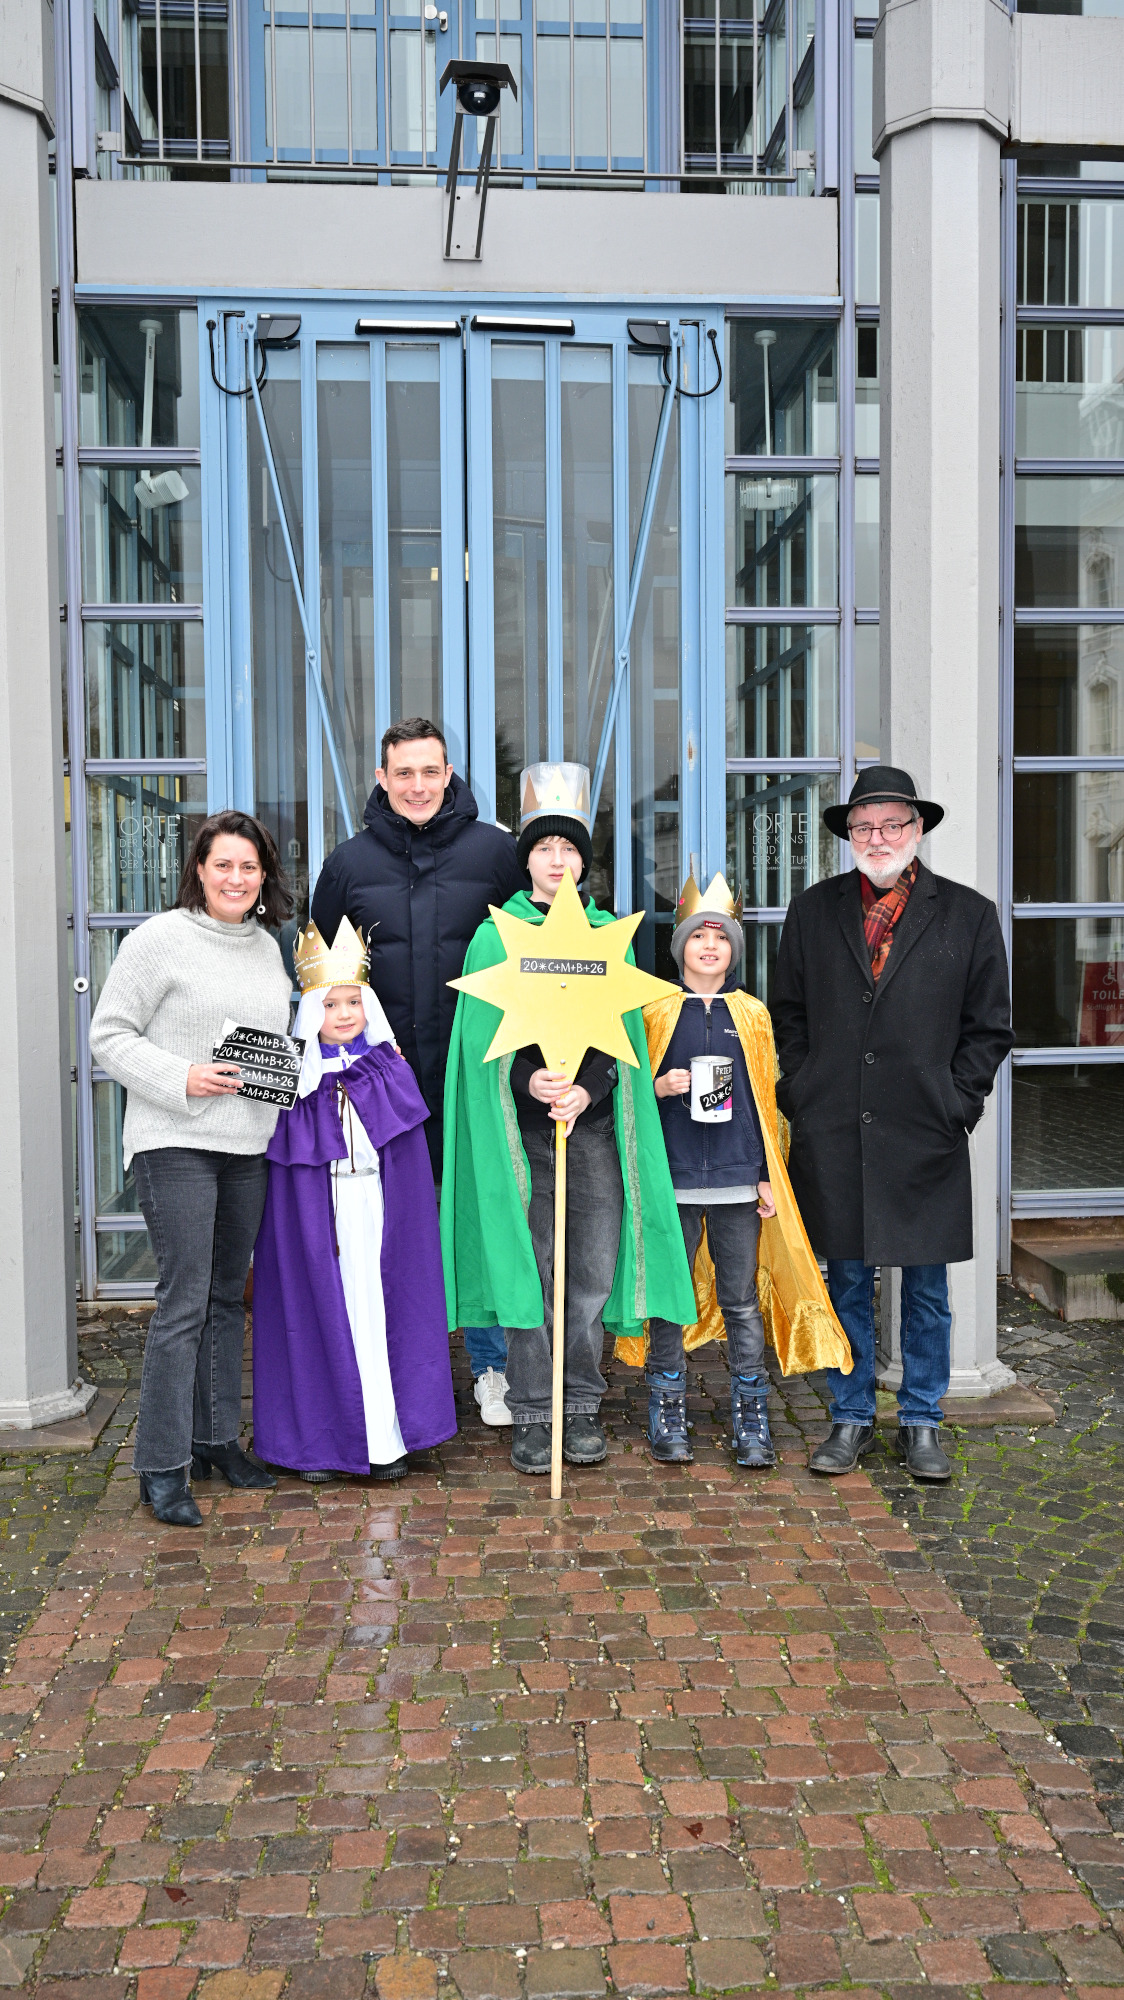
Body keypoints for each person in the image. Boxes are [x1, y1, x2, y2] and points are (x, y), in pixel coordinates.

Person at [440, 763, 696, 1475]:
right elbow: (483, 1045)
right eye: (545, 848)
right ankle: (532, 1410)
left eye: (570, 849)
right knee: (532, 1267)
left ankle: (578, 1403)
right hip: (522, 1134)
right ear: (527, 858)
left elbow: (624, 1042)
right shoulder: (496, 937)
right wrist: (531, 1080)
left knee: (587, 1271)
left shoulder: (608, 933)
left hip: (592, 1132)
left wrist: (586, 1086)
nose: (558, 861)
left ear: (585, 859)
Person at [772, 766, 1015, 1484]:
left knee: (927, 1287)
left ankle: (921, 1421)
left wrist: (956, 1104)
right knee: (845, 1278)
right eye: (864, 827)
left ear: (917, 830)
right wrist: (804, 1090)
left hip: (924, 1128)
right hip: (837, 1126)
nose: (878, 838)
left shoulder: (968, 914)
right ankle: (850, 1416)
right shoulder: (813, 911)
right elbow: (788, 1013)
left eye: (892, 825)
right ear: (848, 836)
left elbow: (989, 1028)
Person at [310, 718, 524, 1426]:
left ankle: (493, 1367)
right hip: (380, 1084)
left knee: (483, 1216)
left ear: (449, 773)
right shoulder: (346, 866)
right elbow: (323, 987)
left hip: (476, 1073)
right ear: (382, 778)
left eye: (429, 772)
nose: (418, 786)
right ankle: (397, 1369)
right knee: (391, 1229)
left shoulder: (498, 854)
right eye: (403, 773)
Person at [89, 810, 294, 1527]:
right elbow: (107, 1035)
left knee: (225, 1300)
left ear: (264, 875)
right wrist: (183, 1076)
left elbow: (272, 1050)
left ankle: (215, 1441)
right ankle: (161, 1464)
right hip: (173, 1139)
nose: (235, 878)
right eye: (223, 865)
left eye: (248, 866)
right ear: (199, 871)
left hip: (246, 1147)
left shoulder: (270, 948)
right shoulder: (159, 940)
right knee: (183, 1301)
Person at [634, 872, 852, 1470]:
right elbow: (630, 1096)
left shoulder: (751, 1015)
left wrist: (765, 1174)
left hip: (735, 1179)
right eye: (698, 936)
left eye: (721, 938)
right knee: (671, 1297)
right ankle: (667, 1402)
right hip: (673, 1179)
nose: (710, 946)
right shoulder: (654, 1011)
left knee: (740, 1298)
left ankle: (750, 1408)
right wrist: (660, 1086)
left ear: (733, 949)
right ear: (679, 946)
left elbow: (765, 1100)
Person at [250, 916, 457, 1484]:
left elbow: (407, 1160)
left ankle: (386, 1441)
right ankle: (319, 1445)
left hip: (377, 1213)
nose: (342, 1014)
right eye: (330, 1004)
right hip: (317, 1219)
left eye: (353, 1003)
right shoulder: (287, 1075)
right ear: (310, 1009)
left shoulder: (390, 1069)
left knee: (380, 1317)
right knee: (317, 1317)